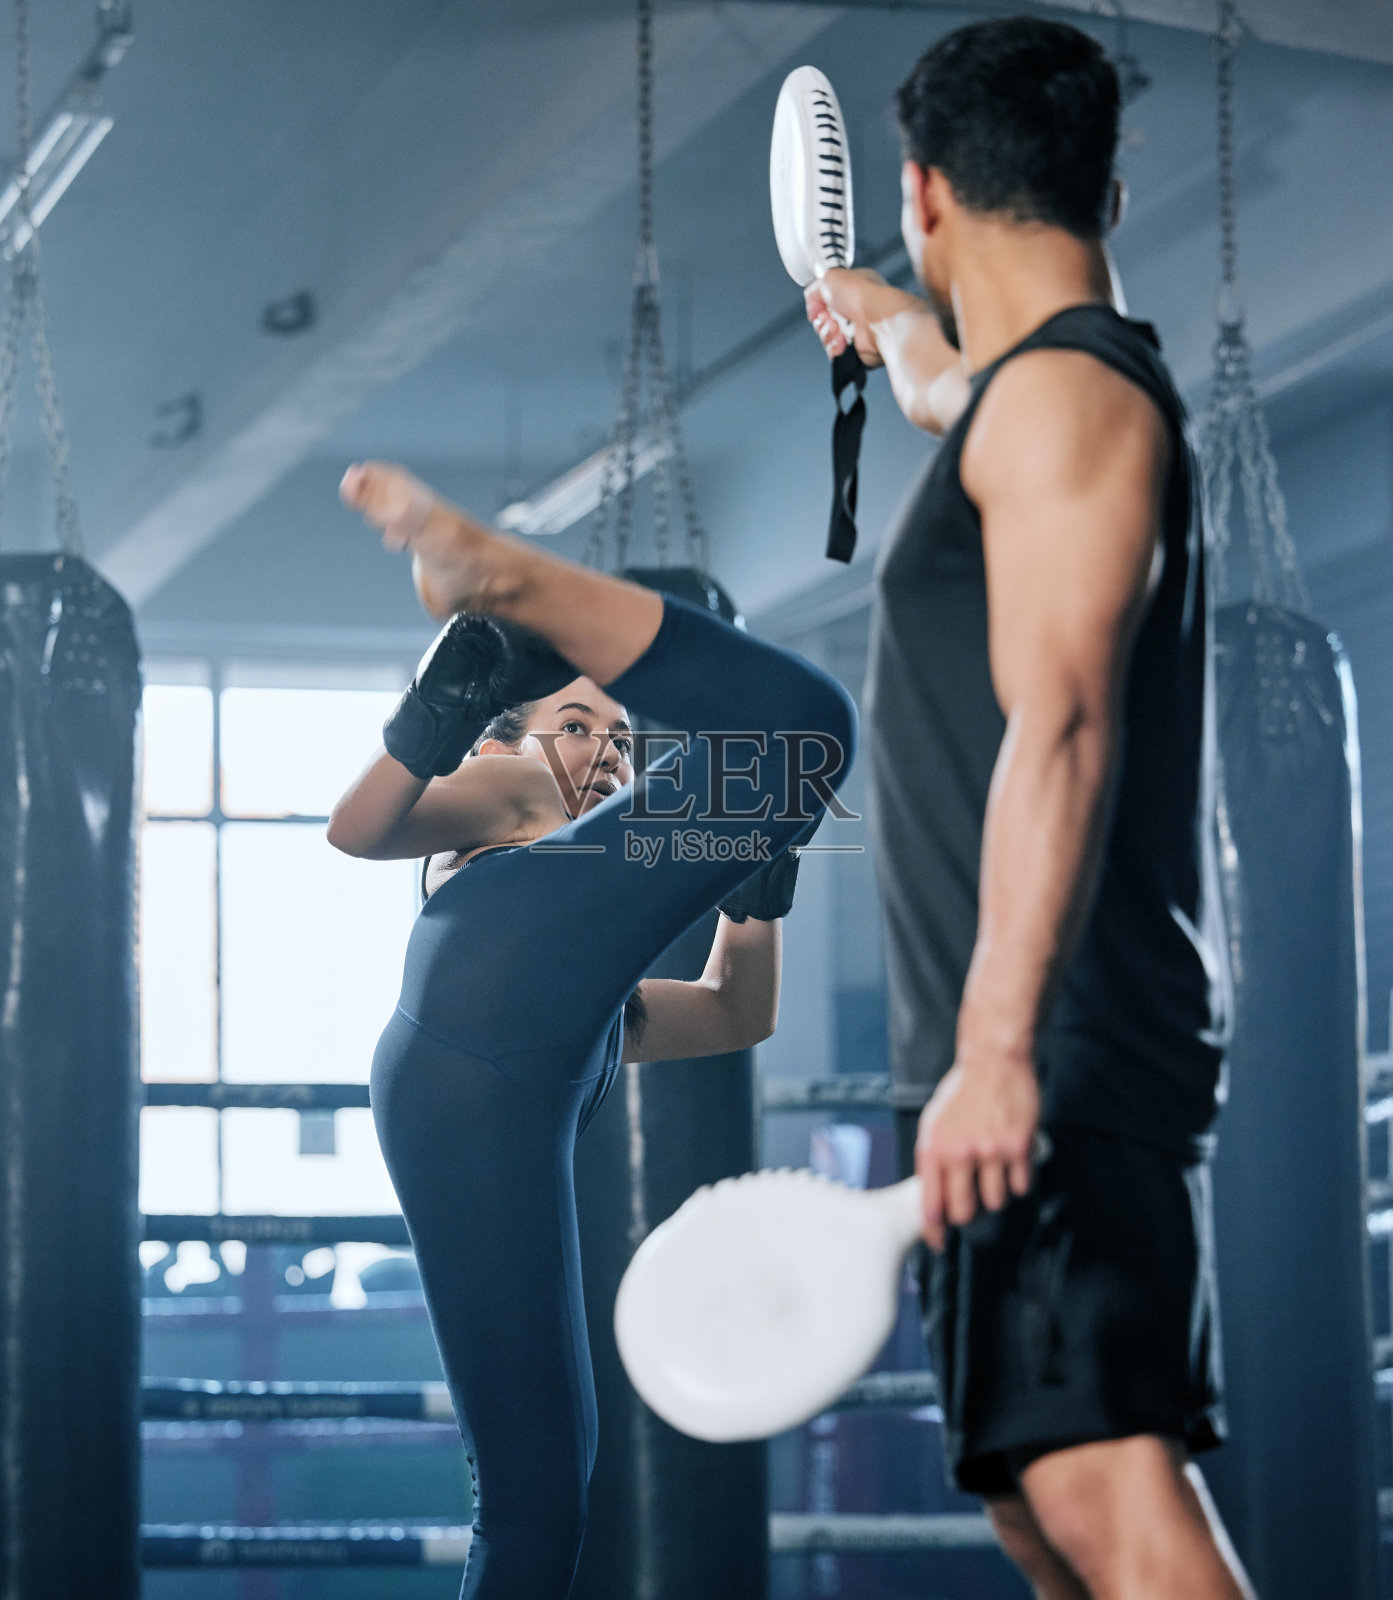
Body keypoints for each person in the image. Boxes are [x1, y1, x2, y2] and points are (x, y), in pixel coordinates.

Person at [805, 17, 1251, 1600]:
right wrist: (888, 324)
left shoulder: (1065, 408)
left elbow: (1057, 725)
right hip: (1022, 1047)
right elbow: (952, 389)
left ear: (921, 189)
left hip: (1049, 1046)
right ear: (1107, 199)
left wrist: (994, 1057)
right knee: (1037, 1509)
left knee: (1103, 1493)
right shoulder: (1040, 401)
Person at [329, 460, 855, 1599]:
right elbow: (357, 828)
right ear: (519, 732)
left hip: (489, 1072)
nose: (604, 757)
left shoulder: (590, 984)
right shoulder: (519, 789)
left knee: (541, 1491)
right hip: (474, 1009)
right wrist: (441, 710)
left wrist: (760, 889)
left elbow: (734, 1014)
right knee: (800, 727)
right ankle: (507, 582)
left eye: (622, 743)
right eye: (579, 722)